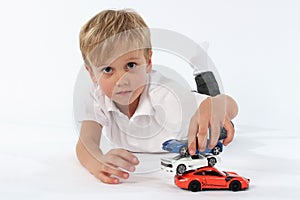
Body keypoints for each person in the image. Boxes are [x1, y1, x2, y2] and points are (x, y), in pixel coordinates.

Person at [75, 9, 238, 184]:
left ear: (148, 62)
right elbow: (87, 142)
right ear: (91, 73)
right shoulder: (98, 97)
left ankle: (201, 67)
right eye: (107, 69)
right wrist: (95, 160)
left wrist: (216, 105)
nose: (121, 80)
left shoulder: (166, 95)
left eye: (130, 65)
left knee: (214, 116)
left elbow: (231, 106)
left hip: (191, 118)